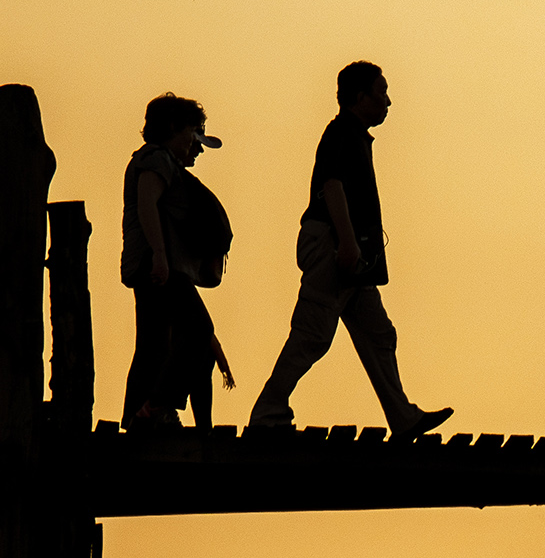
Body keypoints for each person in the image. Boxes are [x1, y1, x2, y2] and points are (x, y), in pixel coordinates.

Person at [247, 61, 452, 438]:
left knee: (378, 334)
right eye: (381, 92)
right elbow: (333, 186)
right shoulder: (342, 133)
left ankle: (403, 418)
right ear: (360, 97)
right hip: (335, 246)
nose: (388, 101)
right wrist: (345, 242)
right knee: (312, 333)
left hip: (351, 253)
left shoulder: (353, 135)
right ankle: (268, 412)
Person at [117, 93, 236, 431]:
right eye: (194, 135)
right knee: (198, 331)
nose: (198, 147)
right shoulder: (156, 159)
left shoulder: (164, 163)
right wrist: (159, 255)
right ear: (172, 127)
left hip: (158, 266)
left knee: (155, 344)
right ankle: (157, 406)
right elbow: (147, 204)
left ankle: (139, 415)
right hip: (158, 266)